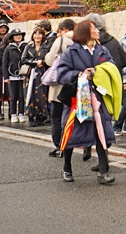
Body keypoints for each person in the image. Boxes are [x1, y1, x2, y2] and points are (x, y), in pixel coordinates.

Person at [56, 20, 119, 184]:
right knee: (72, 132)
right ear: (85, 32)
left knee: (101, 131)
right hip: (78, 98)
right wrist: (79, 74)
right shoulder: (72, 52)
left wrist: (97, 72)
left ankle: (104, 171)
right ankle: (67, 167)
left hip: (98, 96)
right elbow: (61, 73)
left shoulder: (102, 49)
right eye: (93, 28)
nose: (97, 31)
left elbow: (112, 66)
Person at [45, 18, 75, 157]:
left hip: (58, 82)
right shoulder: (79, 41)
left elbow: (50, 60)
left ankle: (59, 145)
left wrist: (45, 58)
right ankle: (71, 144)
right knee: (70, 115)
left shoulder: (61, 41)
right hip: (73, 82)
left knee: (56, 116)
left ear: (63, 30)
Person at [22, 25, 50, 126]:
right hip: (30, 73)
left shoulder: (46, 47)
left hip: (42, 73)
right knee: (30, 95)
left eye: (40, 34)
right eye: (36, 34)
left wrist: (42, 61)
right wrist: (34, 62)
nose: (37, 36)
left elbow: (49, 59)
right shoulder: (28, 46)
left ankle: (40, 116)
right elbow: (23, 59)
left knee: (42, 95)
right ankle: (30, 116)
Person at [2, 28, 27, 123]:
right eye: (16, 35)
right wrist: (6, 77)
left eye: (20, 35)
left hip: (22, 74)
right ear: (12, 37)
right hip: (12, 75)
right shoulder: (8, 48)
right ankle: (13, 114)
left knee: (21, 96)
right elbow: (4, 63)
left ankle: (21, 113)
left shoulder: (25, 46)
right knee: (13, 96)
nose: (18, 37)